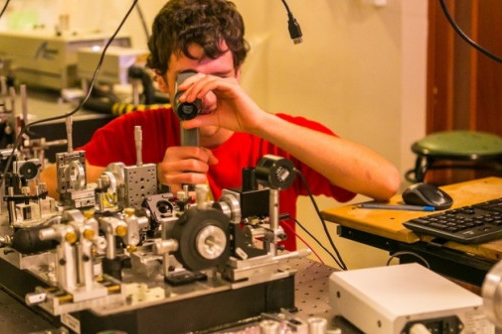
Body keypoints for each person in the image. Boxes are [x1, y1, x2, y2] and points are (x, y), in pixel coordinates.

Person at [41, 0, 400, 250]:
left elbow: (385, 182)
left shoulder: (273, 134)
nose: (206, 96)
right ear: (161, 81)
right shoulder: (134, 132)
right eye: (190, 80)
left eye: (220, 79)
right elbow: (43, 182)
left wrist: (260, 122)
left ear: (238, 73)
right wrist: (148, 178)